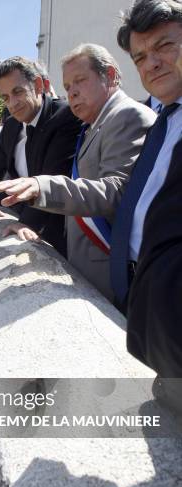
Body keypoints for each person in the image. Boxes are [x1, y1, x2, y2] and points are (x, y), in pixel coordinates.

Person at [0, 45, 155, 300]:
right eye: (67, 86)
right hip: (89, 264)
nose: (72, 92)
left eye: (80, 81)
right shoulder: (93, 124)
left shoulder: (127, 116)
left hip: (116, 268)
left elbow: (116, 191)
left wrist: (41, 188)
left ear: (109, 75)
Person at [111, 0, 182, 386]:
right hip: (148, 313)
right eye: (140, 57)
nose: (151, 63)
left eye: (164, 46)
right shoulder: (162, 120)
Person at [0, 56, 81, 256]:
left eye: (18, 92)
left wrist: (26, 224)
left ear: (39, 85)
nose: (12, 104)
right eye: (5, 97)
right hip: (23, 214)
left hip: (61, 229)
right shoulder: (11, 125)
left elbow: (51, 178)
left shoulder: (65, 116)